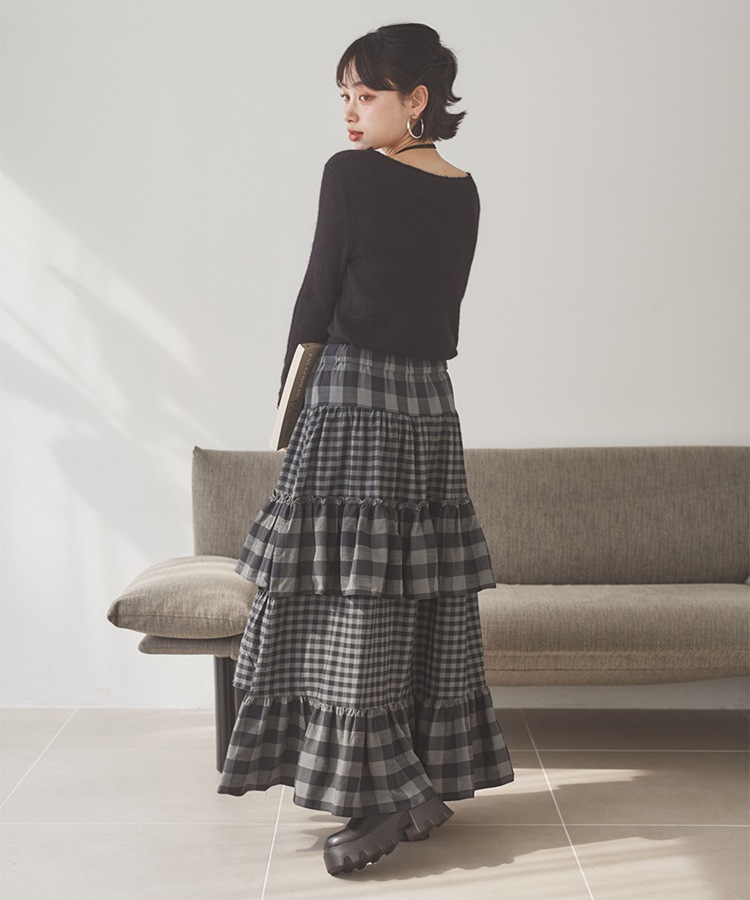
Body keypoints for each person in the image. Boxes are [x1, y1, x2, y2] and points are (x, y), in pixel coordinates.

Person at [217, 22, 514, 876]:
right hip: (429, 406)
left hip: (351, 397)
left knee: (348, 601)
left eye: (367, 93)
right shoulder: (464, 191)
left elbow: (317, 297)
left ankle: (377, 793)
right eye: (344, 95)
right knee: (414, 596)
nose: (350, 111)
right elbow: (438, 313)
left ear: (416, 99)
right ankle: (416, 779)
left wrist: (287, 409)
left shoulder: (349, 176)